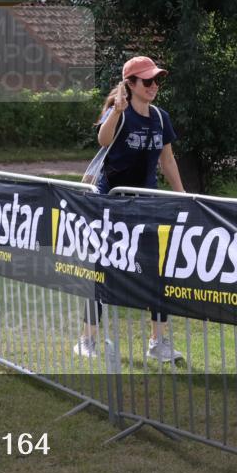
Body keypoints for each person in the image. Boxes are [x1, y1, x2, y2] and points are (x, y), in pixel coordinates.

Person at [75, 56, 186, 363]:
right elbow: (103, 139)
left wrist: (182, 195)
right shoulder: (118, 113)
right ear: (131, 85)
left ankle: (158, 341)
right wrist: (117, 112)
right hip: (111, 203)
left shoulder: (161, 118)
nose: (154, 87)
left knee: (156, 271)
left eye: (156, 81)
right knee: (101, 271)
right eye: (147, 81)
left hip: (146, 205)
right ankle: (87, 339)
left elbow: (168, 160)